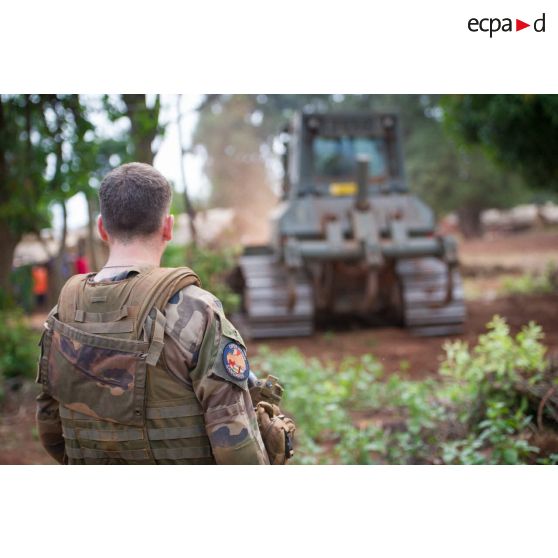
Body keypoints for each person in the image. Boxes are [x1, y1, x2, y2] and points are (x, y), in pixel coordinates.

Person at [36, 162, 294, 465]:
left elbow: (50, 429)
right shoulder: (198, 310)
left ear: (102, 228)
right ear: (168, 227)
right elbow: (237, 449)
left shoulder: (62, 312)